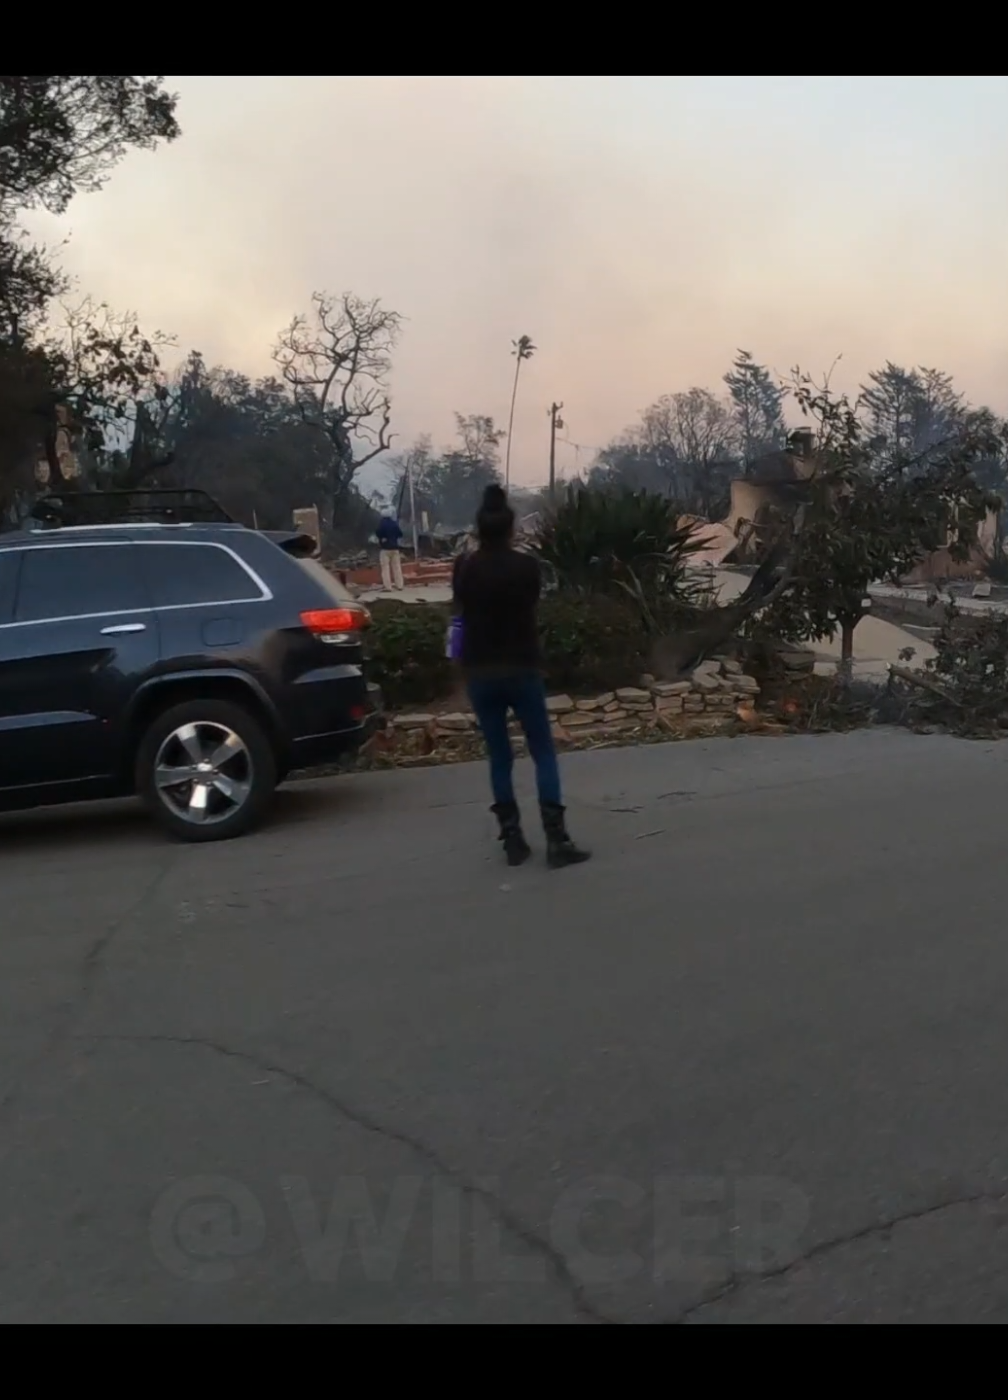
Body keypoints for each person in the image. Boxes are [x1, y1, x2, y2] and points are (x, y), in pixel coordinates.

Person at [453, 484, 590, 869]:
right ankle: (557, 839)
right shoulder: (527, 568)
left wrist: (456, 665)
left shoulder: (464, 568)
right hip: (522, 668)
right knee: (542, 752)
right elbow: (530, 604)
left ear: (478, 530)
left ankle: (512, 839)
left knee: (499, 757)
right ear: (512, 528)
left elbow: (458, 617)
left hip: (480, 672)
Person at [376, 510, 405, 591]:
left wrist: (384, 538)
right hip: (395, 548)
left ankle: (388, 587)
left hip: (385, 549)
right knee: (397, 567)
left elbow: (378, 533)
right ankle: (400, 585)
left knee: (385, 568)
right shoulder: (394, 523)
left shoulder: (382, 523)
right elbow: (400, 534)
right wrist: (393, 537)